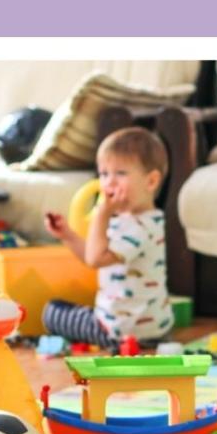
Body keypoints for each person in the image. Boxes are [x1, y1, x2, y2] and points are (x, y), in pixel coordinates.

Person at [42, 127, 173, 349]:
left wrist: (101, 214)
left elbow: (95, 260)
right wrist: (68, 235)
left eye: (120, 173)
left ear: (151, 182)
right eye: (104, 174)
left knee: (51, 312)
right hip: (156, 326)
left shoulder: (139, 226)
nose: (109, 183)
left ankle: (121, 338)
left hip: (118, 330)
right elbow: (93, 256)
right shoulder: (149, 220)